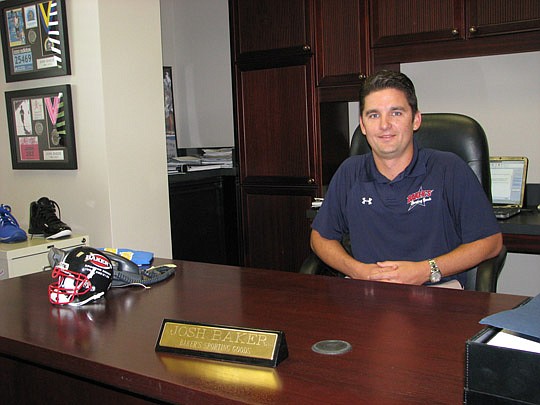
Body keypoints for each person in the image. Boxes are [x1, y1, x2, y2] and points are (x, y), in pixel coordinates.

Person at [310, 70, 502, 288]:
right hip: (368, 291)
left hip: (436, 290)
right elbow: (320, 238)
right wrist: (357, 270)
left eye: (396, 113)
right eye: (374, 115)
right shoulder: (350, 172)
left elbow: (491, 242)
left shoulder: (449, 168)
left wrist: (425, 270)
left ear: (415, 120)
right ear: (363, 125)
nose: (384, 125)